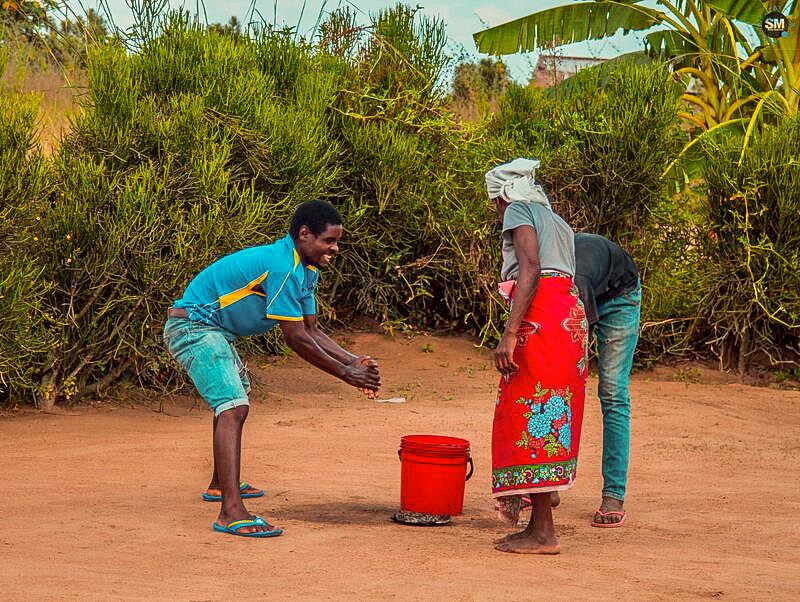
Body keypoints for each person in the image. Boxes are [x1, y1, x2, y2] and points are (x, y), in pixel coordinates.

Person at [163, 199, 381, 538]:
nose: (335, 249)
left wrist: (352, 361)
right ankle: (230, 512)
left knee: (235, 401)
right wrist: (346, 374)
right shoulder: (282, 266)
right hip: (192, 328)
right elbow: (295, 338)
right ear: (305, 234)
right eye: (329, 241)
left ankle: (222, 484)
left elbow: (312, 330)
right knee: (233, 405)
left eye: (337, 242)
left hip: (213, 332)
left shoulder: (306, 269)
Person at [487, 158, 588, 554]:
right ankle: (537, 525)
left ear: (504, 196)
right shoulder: (558, 221)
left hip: (542, 318)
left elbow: (531, 265)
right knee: (550, 413)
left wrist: (510, 334)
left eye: (495, 202)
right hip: (568, 318)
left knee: (530, 413)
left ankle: (544, 533)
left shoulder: (517, 209)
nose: (498, 211)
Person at [573, 232, 641, 528]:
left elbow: (574, 329)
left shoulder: (576, 280)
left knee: (612, 392)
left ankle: (613, 494)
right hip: (590, 284)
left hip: (620, 294)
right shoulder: (542, 267)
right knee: (563, 389)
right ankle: (549, 484)